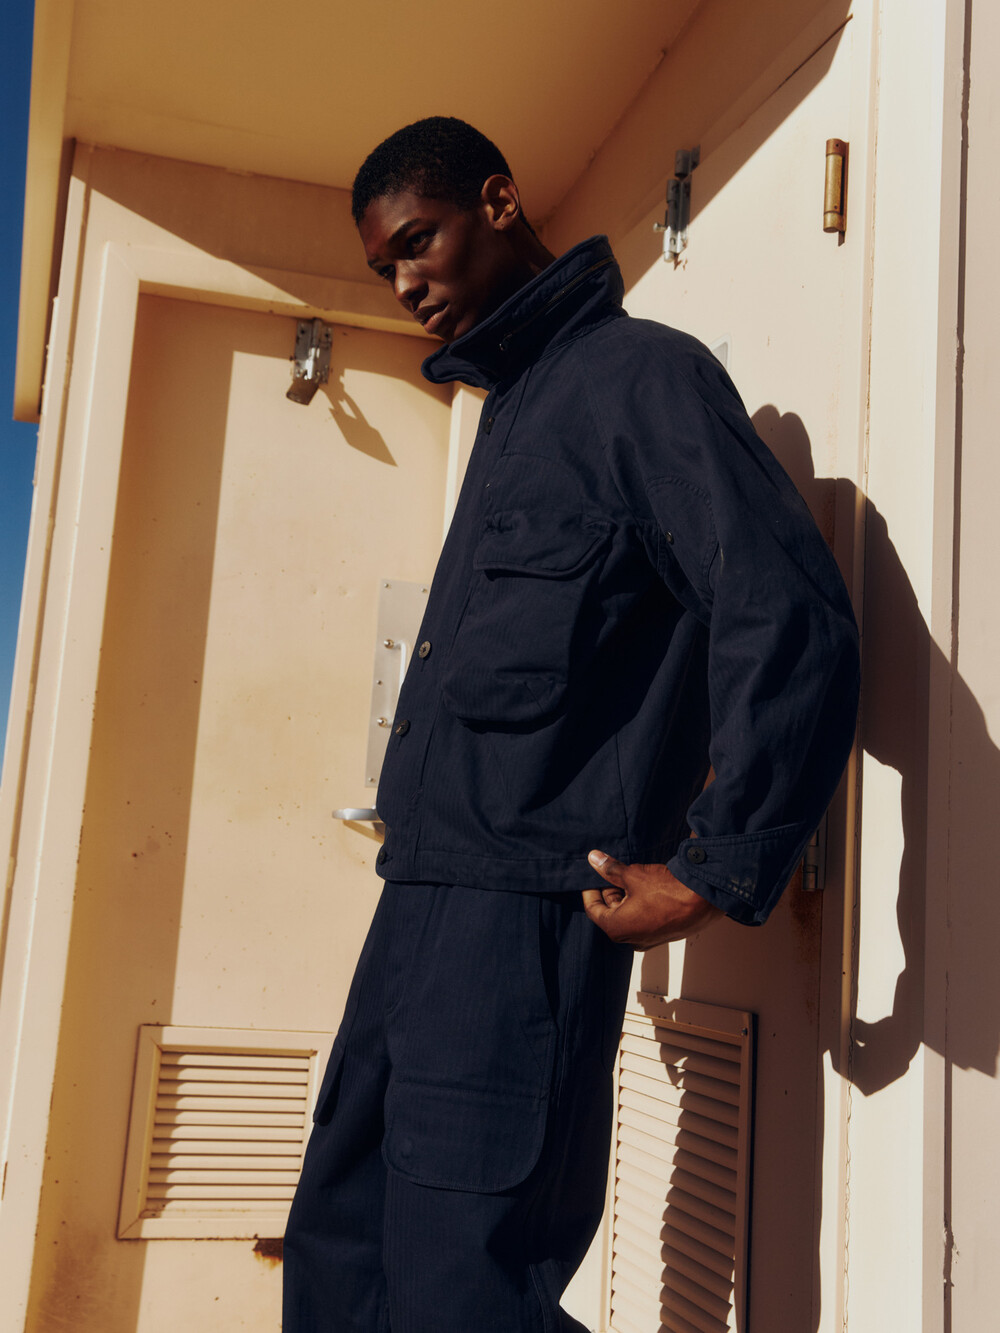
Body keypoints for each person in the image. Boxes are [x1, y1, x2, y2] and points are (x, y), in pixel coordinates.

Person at [283, 116, 859, 1333]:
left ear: (498, 202)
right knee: (342, 1255)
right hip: (416, 906)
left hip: (521, 924)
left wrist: (715, 865)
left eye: (419, 241)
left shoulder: (639, 379)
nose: (405, 282)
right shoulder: (511, 413)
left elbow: (783, 610)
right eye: (385, 266)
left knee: (460, 1293)